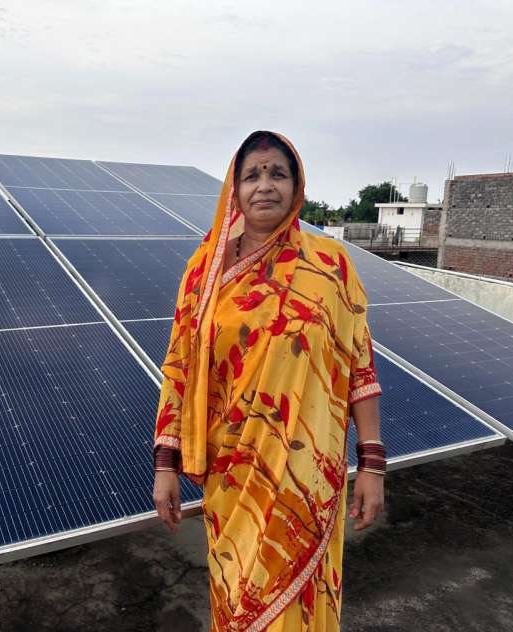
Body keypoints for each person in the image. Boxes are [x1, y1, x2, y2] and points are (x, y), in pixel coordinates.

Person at [152, 131, 385, 631]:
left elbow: (359, 367)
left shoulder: (330, 266)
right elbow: (178, 368)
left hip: (306, 477)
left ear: (297, 188)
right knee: (240, 606)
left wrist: (372, 464)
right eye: (251, 175)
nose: (265, 185)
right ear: (233, 190)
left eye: (278, 173)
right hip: (232, 476)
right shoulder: (203, 273)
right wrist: (165, 465)